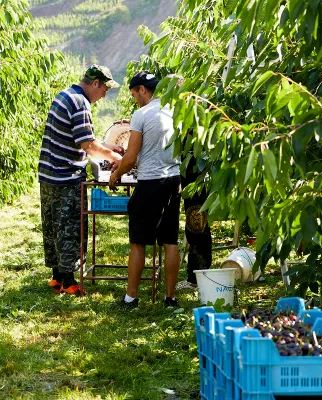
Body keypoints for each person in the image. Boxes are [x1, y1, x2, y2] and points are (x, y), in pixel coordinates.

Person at [38, 64, 123, 295]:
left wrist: (108, 146)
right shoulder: (80, 103)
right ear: (95, 83)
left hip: (49, 173)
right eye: (104, 90)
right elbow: (87, 145)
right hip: (65, 175)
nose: (104, 96)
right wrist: (115, 156)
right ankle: (69, 283)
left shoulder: (66, 95)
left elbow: (81, 137)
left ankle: (57, 277)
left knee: (53, 225)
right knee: (70, 228)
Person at [109, 71, 181, 309]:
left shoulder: (141, 114)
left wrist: (117, 173)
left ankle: (131, 298)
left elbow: (131, 157)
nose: (135, 99)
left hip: (150, 183)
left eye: (134, 94)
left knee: (138, 241)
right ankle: (170, 298)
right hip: (173, 180)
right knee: (170, 241)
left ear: (142, 89)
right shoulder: (175, 111)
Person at [177, 153, 212, 291]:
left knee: (197, 229)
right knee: (195, 229)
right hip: (193, 178)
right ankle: (197, 276)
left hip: (196, 179)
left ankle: (196, 278)